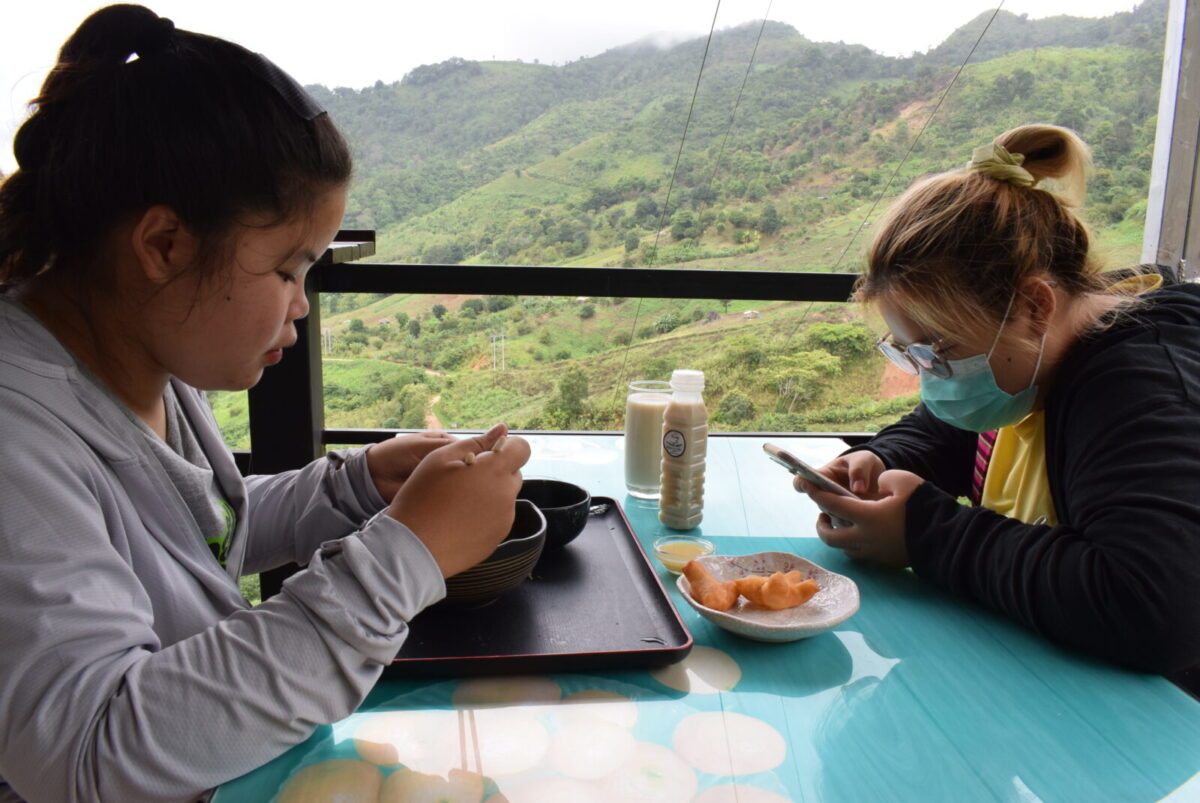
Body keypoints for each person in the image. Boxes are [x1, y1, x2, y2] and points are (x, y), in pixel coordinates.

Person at [0, 6, 531, 802]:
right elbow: (89, 752)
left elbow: (202, 536)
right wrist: (405, 556)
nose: (302, 305)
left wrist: (354, 486)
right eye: (287, 269)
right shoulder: (15, 438)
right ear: (164, 246)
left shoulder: (140, 356)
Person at [799, 124, 1200, 676]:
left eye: (940, 350)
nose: (930, 376)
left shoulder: (1144, 392)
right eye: (911, 353)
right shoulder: (1034, 359)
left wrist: (925, 535)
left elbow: (1153, 611)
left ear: (1034, 306)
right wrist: (880, 460)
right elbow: (945, 430)